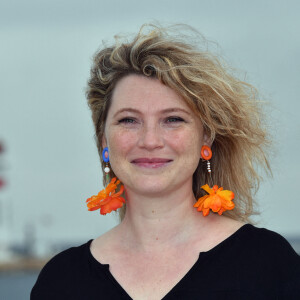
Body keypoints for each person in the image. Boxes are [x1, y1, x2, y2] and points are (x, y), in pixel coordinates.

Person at [31, 24, 300, 299]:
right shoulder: (60, 281)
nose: (150, 140)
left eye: (173, 119)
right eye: (128, 120)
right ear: (104, 141)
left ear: (205, 138)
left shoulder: (269, 264)